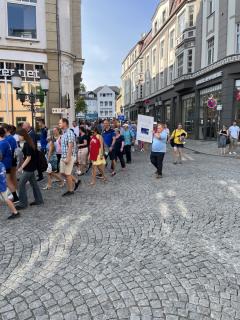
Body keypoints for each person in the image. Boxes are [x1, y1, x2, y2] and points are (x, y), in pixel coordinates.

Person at [15, 129, 44, 210]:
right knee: (34, 184)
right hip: (31, 167)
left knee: (20, 184)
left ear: (23, 136)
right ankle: (39, 200)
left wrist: (21, 167)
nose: (18, 137)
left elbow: (28, 157)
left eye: (19, 136)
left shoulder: (27, 144)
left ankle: (23, 203)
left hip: (29, 168)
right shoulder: (29, 142)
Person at [59, 118, 80, 197]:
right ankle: (76, 180)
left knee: (67, 174)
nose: (59, 124)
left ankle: (70, 190)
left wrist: (68, 158)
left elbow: (70, 146)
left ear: (65, 123)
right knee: (62, 173)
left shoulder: (69, 133)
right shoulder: (63, 133)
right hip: (63, 156)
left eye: (60, 123)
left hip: (69, 156)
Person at [0, 152, 20, 219]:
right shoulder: (1, 164)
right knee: (4, 199)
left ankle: (15, 212)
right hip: (3, 184)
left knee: (6, 199)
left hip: (1, 186)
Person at [3, 125, 19, 203]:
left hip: (11, 160)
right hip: (11, 160)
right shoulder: (9, 138)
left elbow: (12, 150)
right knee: (11, 177)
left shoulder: (10, 138)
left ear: (6, 130)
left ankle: (15, 193)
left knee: (11, 177)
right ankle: (15, 193)